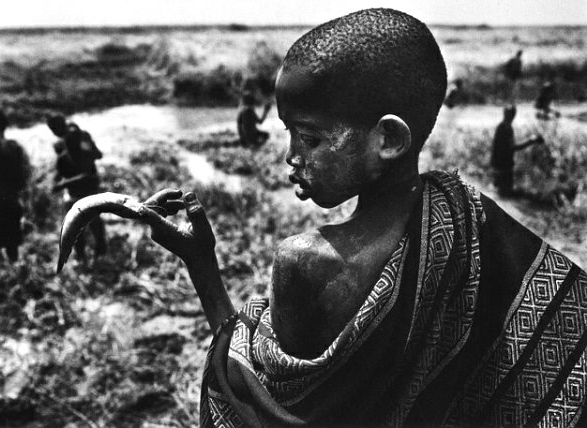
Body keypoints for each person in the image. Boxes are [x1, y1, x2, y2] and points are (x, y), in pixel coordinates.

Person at [106, 9, 587, 427]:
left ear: (389, 140)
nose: (291, 156)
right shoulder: (464, 216)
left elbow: (258, 405)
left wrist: (202, 266)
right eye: (289, 133)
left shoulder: (304, 262)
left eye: (310, 138)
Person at [53, 122, 106, 260]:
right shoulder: (63, 158)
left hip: (87, 195)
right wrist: (65, 182)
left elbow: (90, 175)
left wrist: (66, 183)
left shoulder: (85, 156)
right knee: (77, 230)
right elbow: (55, 183)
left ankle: (99, 254)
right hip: (74, 197)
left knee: (94, 226)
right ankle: (82, 256)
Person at [0, 109, 31, 262]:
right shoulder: (15, 147)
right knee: (12, 240)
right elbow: (25, 175)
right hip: (11, 197)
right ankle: (15, 268)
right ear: (6, 125)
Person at [491, 106, 544, 196]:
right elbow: (512, 148)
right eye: (508, 114)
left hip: (502, 164)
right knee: (505, 193)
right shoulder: (505, 128)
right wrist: (531, 141)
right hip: (504, 165)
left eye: (509, 114)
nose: (509, 117)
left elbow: (496, 147)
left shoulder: (503, 127)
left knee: (502, 193)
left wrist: (494, 162)